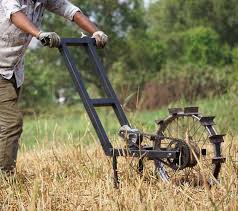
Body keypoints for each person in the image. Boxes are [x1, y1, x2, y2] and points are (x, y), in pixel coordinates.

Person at [0, 0, 108, 173]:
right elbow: (14, 14)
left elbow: (70, 10)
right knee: (12, 123)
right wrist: (40, 34)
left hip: (13, 69)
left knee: (4, 125)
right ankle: (5, 177)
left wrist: (96, 31)